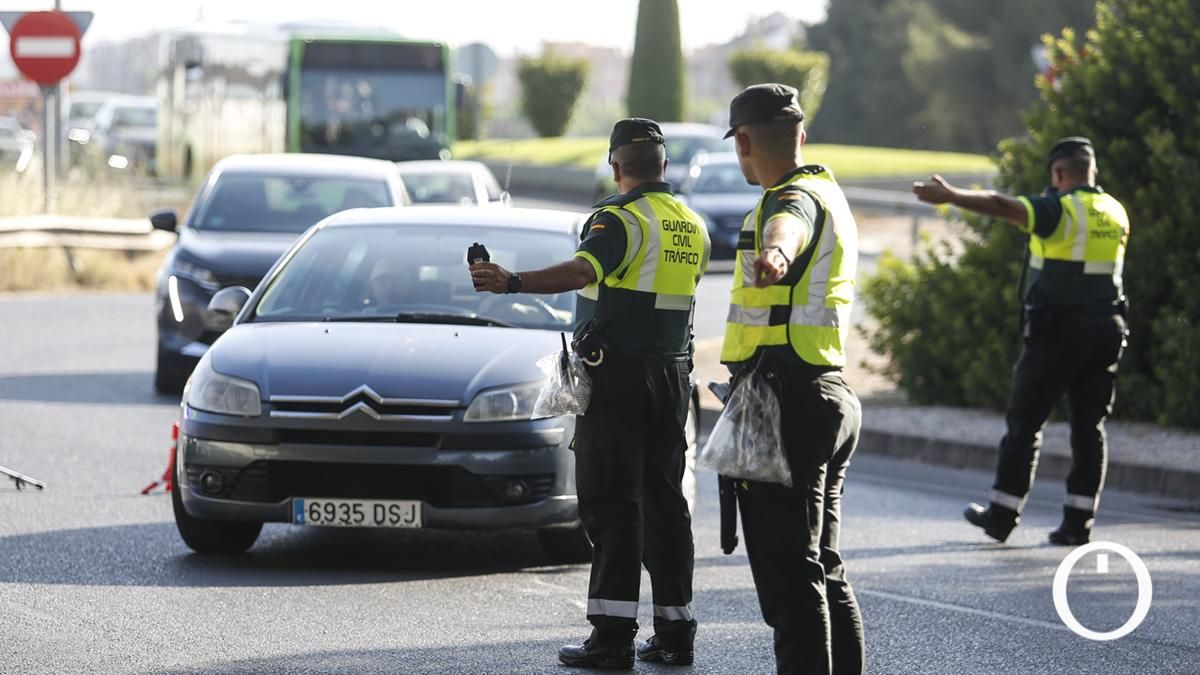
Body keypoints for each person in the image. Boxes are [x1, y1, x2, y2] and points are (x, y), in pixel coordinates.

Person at [471, 118, 710, 670]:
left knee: (612, 503)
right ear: (665, 167)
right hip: (672, 378)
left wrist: (511, 282)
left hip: (620, 378)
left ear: (616, 166)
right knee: (666, 506)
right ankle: (676, 635)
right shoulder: (690, 224)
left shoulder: (618, 219)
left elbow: (584, 270)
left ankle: (611, 638)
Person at [913, 137, 1129, 546]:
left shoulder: (1059, 210)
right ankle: (1078, 522)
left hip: (1059, 331)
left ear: (1058, 174)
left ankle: (1002, 515)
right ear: (1093, 172)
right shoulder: (1114, 211)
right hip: (1108, 329)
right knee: (1089, 426)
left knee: (1026, 423)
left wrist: (951, 196)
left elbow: (1000, 205)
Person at [720, 83, 865, 675]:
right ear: (800, 134)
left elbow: (788, 229)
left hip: (788, 401)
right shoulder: (831, 192)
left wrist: (775, 257)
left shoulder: (791, 200)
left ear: (745, 141)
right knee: (820, 566)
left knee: (789, 572)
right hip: (828, 394)